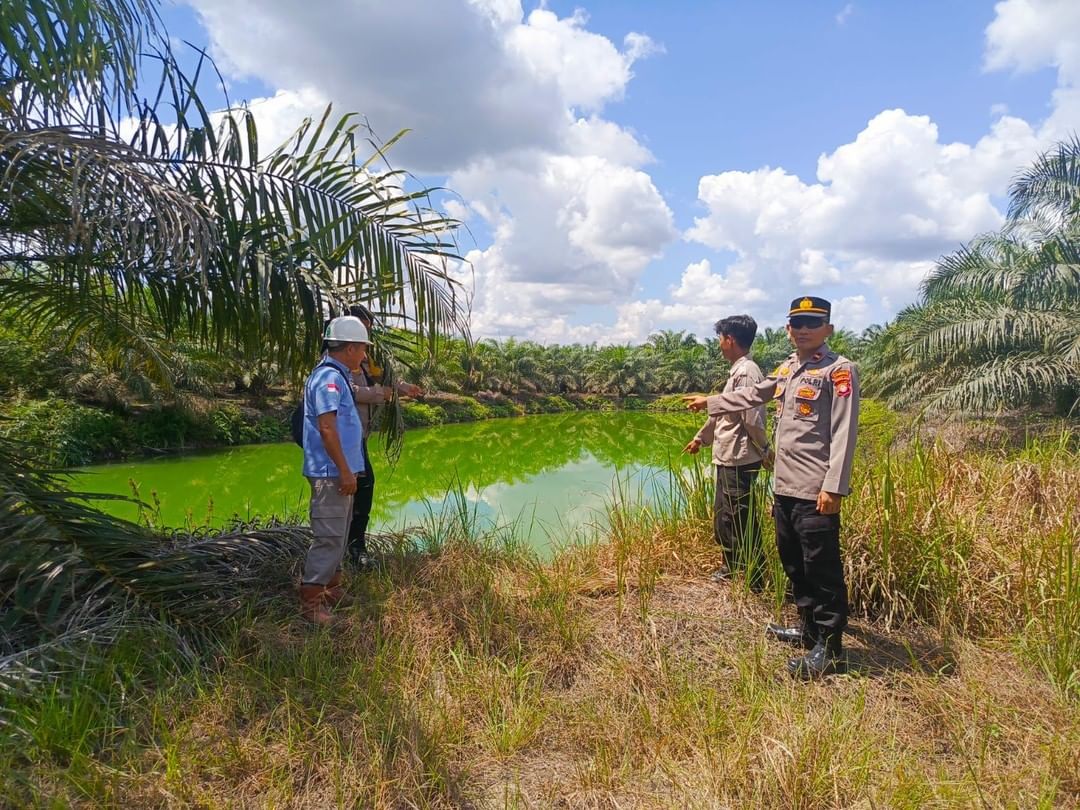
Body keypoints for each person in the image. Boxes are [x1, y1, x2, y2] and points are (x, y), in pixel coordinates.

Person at [684, 296, 859, 679]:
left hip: (816, 488)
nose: (803, 329)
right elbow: (753, 395)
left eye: (813, 323)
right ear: (787, 329)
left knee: (821, 567)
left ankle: (830, 650)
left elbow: (844, 432)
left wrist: (835, 487)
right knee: (794, 562)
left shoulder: (839, 371)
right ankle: (809, 630)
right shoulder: (787, 369)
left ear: (828, 329)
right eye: (796, 322)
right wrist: (711, 401)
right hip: (784, 486)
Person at [682, 315, 772, 588]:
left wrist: (765, 449)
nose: (719, 344)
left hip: (740, 457)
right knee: (725, 515)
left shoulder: (746, 372)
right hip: (727, 455)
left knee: (741, 518)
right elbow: (723, 410)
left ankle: (756, 577)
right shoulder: (737, 371)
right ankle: (731, 567)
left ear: (730, 340)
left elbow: (752, 419)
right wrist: (701, 439)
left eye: (720, 338)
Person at [298, 315, 370, 624]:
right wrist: (343, 471)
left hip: (340, 471)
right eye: (363, 349)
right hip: (331, 473)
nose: (365, 356)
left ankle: (331, 589)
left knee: (339, 532)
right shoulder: (328, 379)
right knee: (328, 535)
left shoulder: (338, 376)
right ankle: (312, 601)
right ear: (351, 347)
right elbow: (327, 428)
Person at [344, 304, 423, 569]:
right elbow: (349, 390)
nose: (368, 333)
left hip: (359, 435)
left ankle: (353, 547)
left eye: (369, 328)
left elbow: (385, 378)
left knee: (360, 488)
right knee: (360, 487)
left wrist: (404, 388)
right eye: (365, 327)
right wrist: (381, 394)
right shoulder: (338, 357)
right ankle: (352, 549)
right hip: (343, 436)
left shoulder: (366, 356)